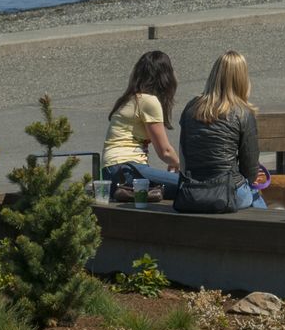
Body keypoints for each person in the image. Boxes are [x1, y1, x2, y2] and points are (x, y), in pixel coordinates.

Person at [175, 51, 267, 211]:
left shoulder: (191, 107)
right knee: (254, 195)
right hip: (228, 191)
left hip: (192, 191)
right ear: (242, 79)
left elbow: (183, 155)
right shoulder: (243, 113)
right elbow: (250, 170)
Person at [102, 50, 181, 201]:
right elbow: (165, 151)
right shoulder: (148, 101)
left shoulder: (131, 98)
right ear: (165, 77)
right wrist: (180, 165)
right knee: (190, 186)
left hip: (112, 173)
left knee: (176, 188)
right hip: (126, 170)